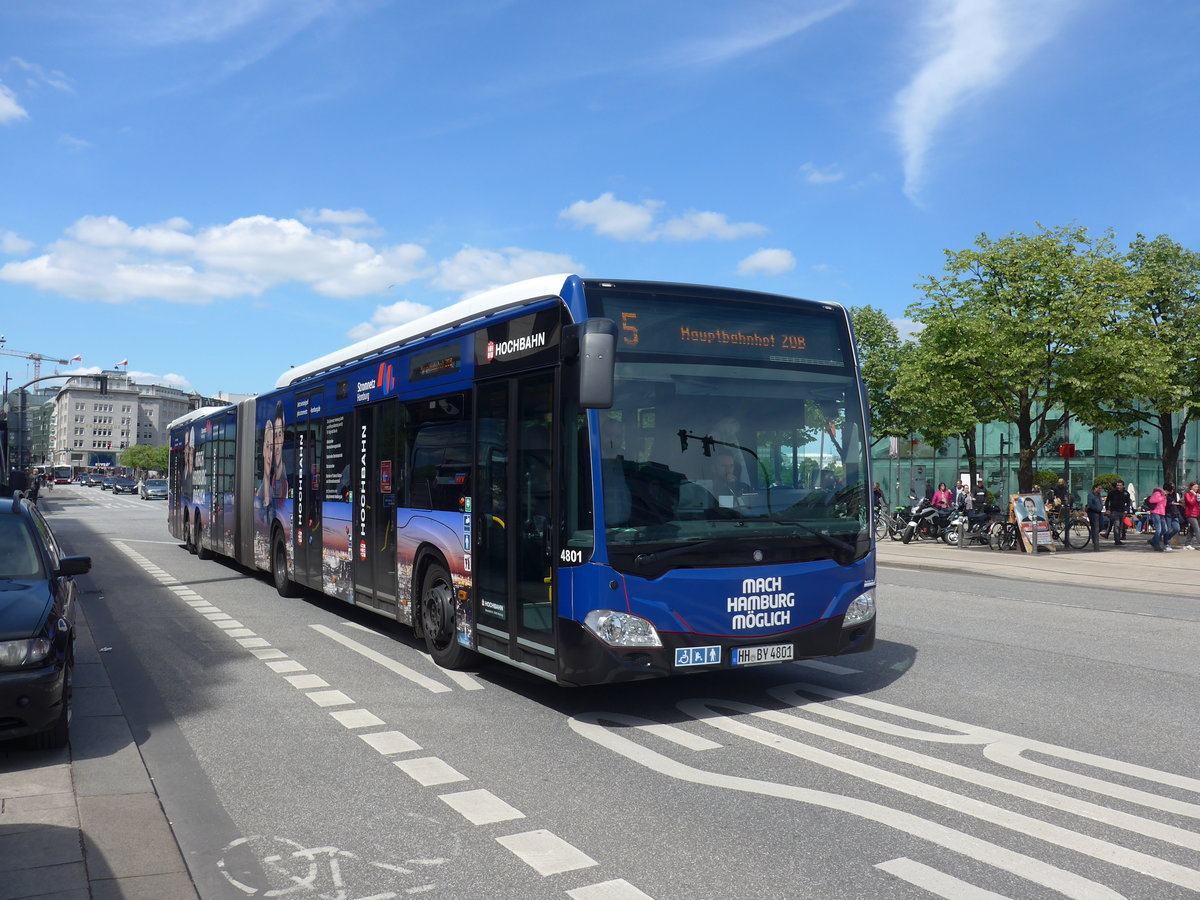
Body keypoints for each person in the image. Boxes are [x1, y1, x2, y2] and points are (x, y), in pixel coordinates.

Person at [1145, 484, 1175, 551]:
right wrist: (1162, 497)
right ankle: (1156, 544)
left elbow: (1164, 504)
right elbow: (1152, 500)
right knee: (1158, 529)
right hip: (1156, 512)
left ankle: (1153, 540)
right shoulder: (1157, 493)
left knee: (1164, 529)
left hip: (1162, 513)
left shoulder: (1164, 495)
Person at [1104, 479, 1130, 544]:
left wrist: (1127, 510)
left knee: (1120, 526)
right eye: (1117, 485)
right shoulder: (1112, 492)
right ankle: (1117, 540)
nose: (1118, 486)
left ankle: (1118, 538)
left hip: (1122, 511)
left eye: (1120, 485)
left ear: (1123, 486)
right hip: (1114, 511)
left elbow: (1128, 502)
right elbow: (1107, 501)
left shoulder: (1126, 493)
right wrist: (1107, 509)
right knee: (1116, 525)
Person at [1085, 484, 1104, 550]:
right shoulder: (1090, 495)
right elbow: (1090, 504)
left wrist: (1101, 508)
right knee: (1094, 526)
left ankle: (1094, 535)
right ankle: (1094, 540)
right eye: (1099, 488)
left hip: (1099, 512)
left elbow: (1100, 503)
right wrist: (1096, 509)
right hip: (1093, 512)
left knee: (1101, 526)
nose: (1100, 490)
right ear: (1095, 488)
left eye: (1101, 488)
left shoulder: (1098, 495)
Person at [1183, 482, 1200, 549]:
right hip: (1190, 514)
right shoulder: (1187, 494)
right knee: (1197, 529)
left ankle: (1187, 544)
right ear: (1191, 487)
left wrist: (1197, 495)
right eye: (1195, 487)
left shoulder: (1197, 494)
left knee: (1192, 530)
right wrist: (1194, 495)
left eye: (1197, 487)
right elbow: (1191, 503)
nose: (1196, 488)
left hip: (1197, 514)